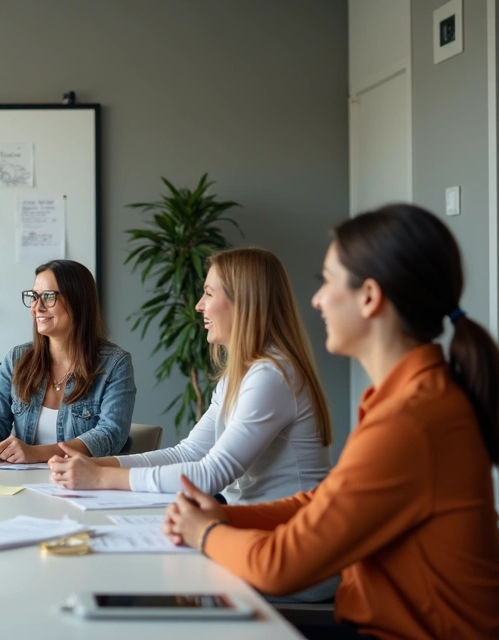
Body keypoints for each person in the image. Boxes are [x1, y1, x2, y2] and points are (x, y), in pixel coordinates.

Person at [166, 204, 499, 639]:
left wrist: (206, 532)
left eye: (326, 281)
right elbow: (325, 502)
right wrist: (228, 518)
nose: (317, 300)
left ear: (370, 297)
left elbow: (279, 567)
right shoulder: (405, 397)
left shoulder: (410, 420)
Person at [48, 248, 333, 506]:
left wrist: (100, 478)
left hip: (288, 531)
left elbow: (211, 474)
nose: (199, 306)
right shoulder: (242, 374)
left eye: (209, 293)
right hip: (251, 519)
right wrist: (98, 466)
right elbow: (188, 453)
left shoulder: (271, 376)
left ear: (243, 302)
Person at [0, 259, 135, 463]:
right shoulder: (16, 359)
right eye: (33, 297)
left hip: (85, 485)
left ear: (78, 301)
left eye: (48, 297)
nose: (36, 307)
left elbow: (110, 436)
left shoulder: (115, 364)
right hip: (21, 484)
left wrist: (35, 453)